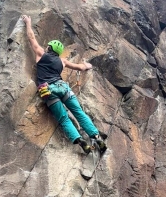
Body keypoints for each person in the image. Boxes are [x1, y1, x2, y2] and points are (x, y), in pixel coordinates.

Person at [22, 15, 107, 155]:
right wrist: (88, 65)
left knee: (63, 118)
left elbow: (31, 38)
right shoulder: (63, 61)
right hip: (63, 87)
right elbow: (80, 67)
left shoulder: (41, 54)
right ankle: (97, 138)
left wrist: (28, 22)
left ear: (49, 47)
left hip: (48, 90)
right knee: (79, 113)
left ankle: (81, 142)